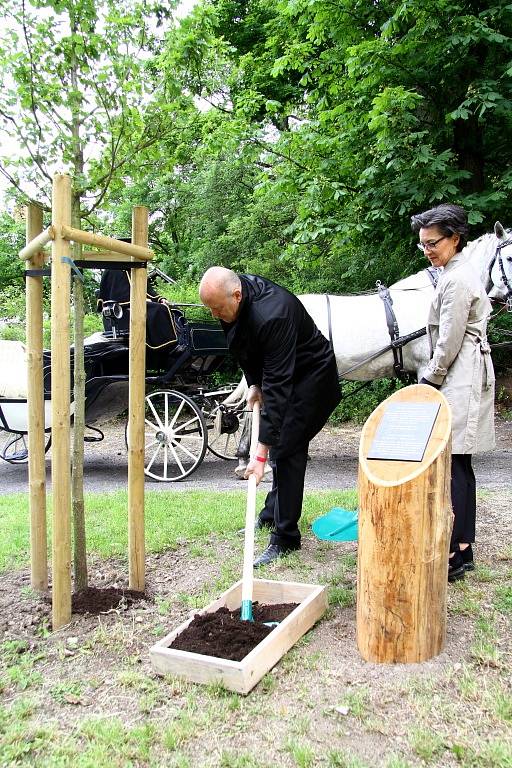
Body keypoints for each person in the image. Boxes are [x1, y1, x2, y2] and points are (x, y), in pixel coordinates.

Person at [199, 267, 341, 567]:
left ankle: (286, 537)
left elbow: (278, 386)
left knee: (287, 449)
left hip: (312, 377)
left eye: (218, 309)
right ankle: (269, 516)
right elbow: (244, 348)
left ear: (237, 295)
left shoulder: (272, 313)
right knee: (281, 447)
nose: (214, 316)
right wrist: (253, 383)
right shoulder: (232, 304)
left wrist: (260, 453)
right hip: (282, 374)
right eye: (210, 309)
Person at [411, 204, 495, 582]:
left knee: (455, 463)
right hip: (461, 373)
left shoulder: (458, 279)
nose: (427, 250)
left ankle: (454, 554)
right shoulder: (453, 273)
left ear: (455, 238)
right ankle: (464, 548)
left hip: (460, 374)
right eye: (423, 244)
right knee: (459, 464)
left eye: (433, 243)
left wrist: (429, 377)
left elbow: (449, 340)